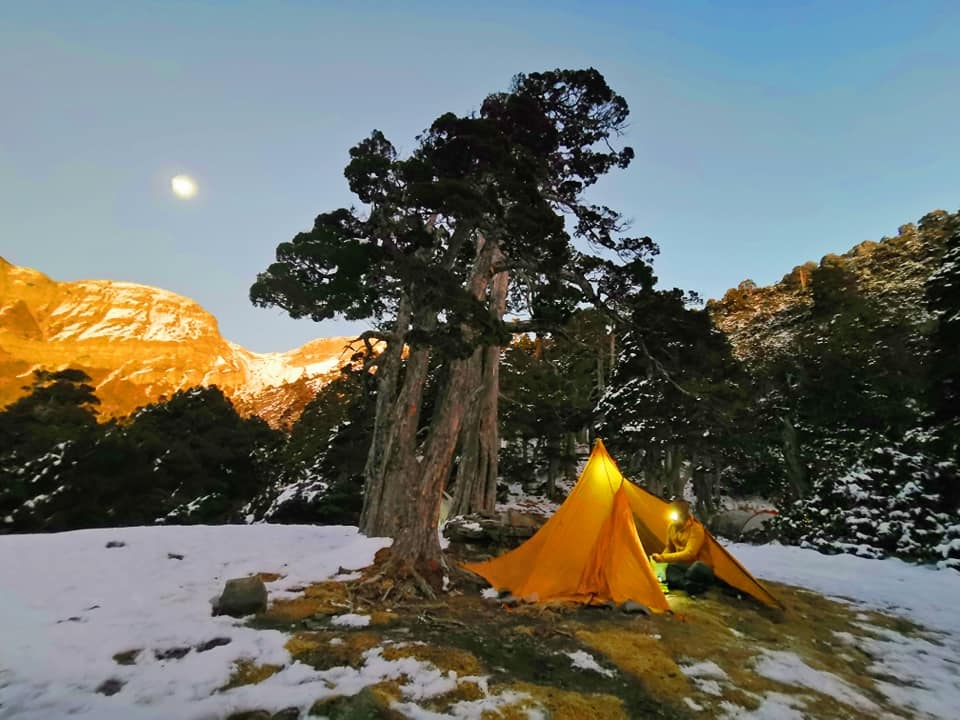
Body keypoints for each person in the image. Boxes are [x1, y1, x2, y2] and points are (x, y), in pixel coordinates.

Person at [651, 500, 715, 596]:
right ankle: (688, 585)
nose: (673, 519)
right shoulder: (671, 527)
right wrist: (660, 560)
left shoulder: (696, 529)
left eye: (676, 516)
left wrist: (663, 558)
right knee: (663, 567)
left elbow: (690, 554)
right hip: (682, 566)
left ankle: (682, 581)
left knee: (696, 568)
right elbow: (669, 547)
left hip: (700, 567)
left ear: (683, 515)